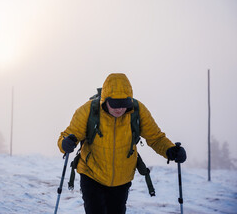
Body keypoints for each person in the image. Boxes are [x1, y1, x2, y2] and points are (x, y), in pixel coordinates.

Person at [57, 73, 187, 214]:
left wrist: (170, 150)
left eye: (124, 104)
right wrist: (65, 144)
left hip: (122, 179)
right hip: (92, 175)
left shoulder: (137, 111)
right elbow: (69, 134)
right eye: (115, 104)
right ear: (105, 100)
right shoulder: (89, 110)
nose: (119, 109)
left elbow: (155, 137)